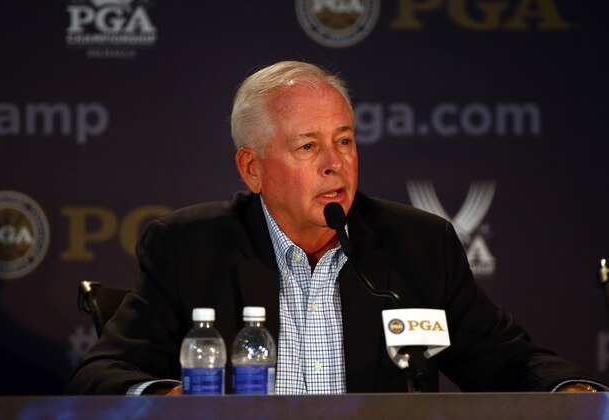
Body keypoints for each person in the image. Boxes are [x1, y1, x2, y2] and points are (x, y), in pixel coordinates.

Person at [67, 61, 604, 395]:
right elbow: (101, 374)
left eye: (344, 141)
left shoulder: (418, 245)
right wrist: (169, 402)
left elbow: (505, 360)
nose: (335, 163)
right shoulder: (189, 248)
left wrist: (572, 388)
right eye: (308, 146)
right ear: (253, 169)